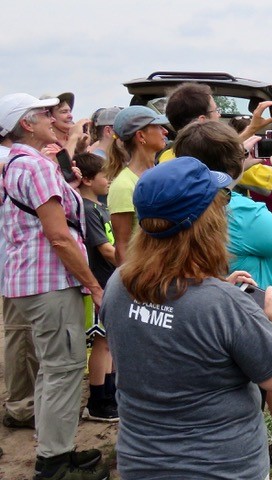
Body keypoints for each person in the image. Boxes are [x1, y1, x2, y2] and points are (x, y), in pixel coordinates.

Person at [99, 156, 272, 479]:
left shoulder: (118, 285)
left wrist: (214, 289)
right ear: (206, 224)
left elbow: (170, 321)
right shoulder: (224, 306)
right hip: (225, 468)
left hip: (141, 464)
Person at [173, 119, 272, 464]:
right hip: (254, 305)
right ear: (234, 165)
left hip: (203, 301)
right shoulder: (241, 212)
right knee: (265, 371)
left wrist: (238, 154)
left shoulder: (179, 203)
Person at [1, 93, 109, 479]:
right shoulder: (37, 167)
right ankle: (54, 465)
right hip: (50, 282)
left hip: (26, 281)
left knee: (52, 369)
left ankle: (56, 450)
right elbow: (59, 237)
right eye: (44, 112)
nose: (53, 117)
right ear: (26, 124)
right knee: (63, 369)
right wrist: (94, 285)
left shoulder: (15, 164)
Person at [0, 95, 38, 431]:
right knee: (20, 335)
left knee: (24, 336)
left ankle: (27, 401)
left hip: (17, 263)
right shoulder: (11, 159)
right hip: (15, 263)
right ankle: (22, 406)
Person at [74, 152, 119, 422]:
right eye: (105, 176)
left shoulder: (100, 207)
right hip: (100, 282)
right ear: (88, 179)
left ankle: (111, 392)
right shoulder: (88, 209)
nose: (110, 180)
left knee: (109, 342)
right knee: (102, 342)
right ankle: (98, 399)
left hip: (110, 281)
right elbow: (104, 248)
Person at [105, 106, 168, 265]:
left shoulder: (163, 173)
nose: (165, 131)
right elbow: (123, 247)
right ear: (141, 136)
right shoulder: (123, 185)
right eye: (158, 127)